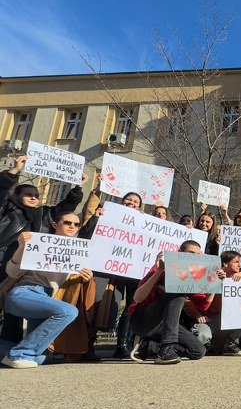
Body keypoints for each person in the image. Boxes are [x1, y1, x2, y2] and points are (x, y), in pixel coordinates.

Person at [0, 155, 86, 347]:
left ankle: (9, 346)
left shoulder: (44, 214)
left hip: (25, 270)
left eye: (36, 195)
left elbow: (66, 209)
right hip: (4, 259)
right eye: (29, 194)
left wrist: (78, 188)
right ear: (16, 196)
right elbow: (1, 191)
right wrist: (14, 171)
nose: (34, 197)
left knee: (12, 314)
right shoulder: (7, 209)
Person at [0, 212, 92, 368]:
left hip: (49, 299)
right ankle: (19, 353)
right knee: (68, 312)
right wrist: (22, 246)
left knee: (41, 358)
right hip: (25, 292)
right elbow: (12, 272)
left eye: (77, 224)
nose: (72, 226)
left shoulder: (80, 252)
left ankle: (17, 352)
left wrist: (86, 276)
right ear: (55, 224)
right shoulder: (38, 243)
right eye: (67, 222)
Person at [78, 181, 145, 359]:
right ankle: (87, 345)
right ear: (122, 202)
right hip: (106, 271)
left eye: (135, 202)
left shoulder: (144, 222)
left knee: (129, 306)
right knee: (99, 305)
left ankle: (123, 345)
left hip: (132, 272)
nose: (131, 203)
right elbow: (85, 234)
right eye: (128, 200)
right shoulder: (106, 214)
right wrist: (97, 218)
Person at [128, 241, 208, 364]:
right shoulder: (162, 268)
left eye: (197, 255)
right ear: (180, 253)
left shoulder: (194, 276)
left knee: (198, 351)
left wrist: (217, 282)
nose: (194, 257)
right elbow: (138, 298)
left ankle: (150, 346)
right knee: (178, 292)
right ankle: (167, 348)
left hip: (167, 324)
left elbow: (204, 305)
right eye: (191, 253)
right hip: (143, 320)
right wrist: (159, 271)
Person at [203, 251, 241, 355]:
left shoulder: (240, 277)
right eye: (236, 262)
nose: (240, 265)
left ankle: (230, 344)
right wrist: (220, 282)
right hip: (212, 319)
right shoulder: (213, 276)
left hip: (228, 321)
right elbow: (213, 307)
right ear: (225, 263)